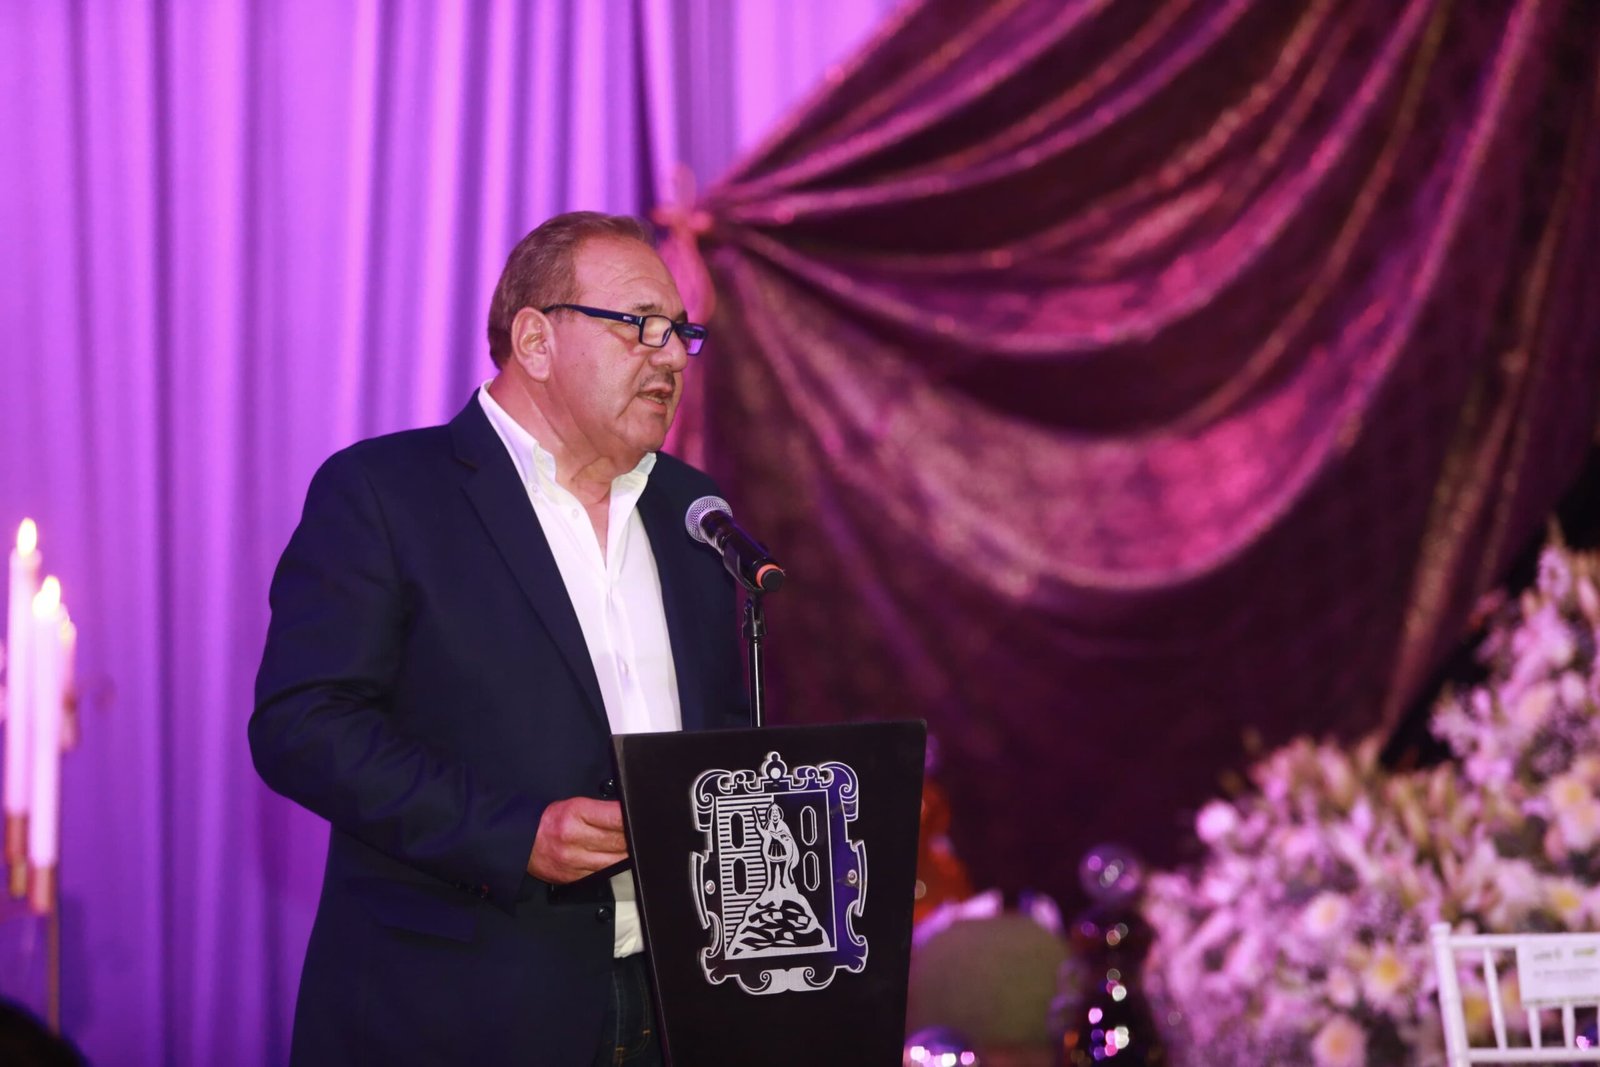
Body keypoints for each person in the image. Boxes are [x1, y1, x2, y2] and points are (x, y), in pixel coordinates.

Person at [250, 211, 748, 1066]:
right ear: (536, 341)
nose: (671, 356)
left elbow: (721, 741)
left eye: (681, 332)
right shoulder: (387, 493)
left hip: (670, 1003)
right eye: (641, 325)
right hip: (454, 1008)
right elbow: (302, 725)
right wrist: (517, 834)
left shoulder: (691, 511)